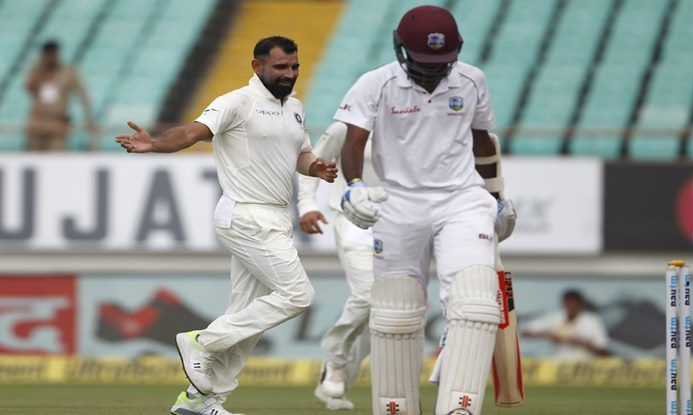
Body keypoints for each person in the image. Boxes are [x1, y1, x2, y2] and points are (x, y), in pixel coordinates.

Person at [115, 36, 338, 415]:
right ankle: (202, 341)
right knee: (298, 295)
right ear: (257, 66)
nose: (289, 74)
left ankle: (200, 402)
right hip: (246, 215)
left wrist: (316, 167)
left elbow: (300, 154)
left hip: (274, 217)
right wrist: (155, 144)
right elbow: (191, 132)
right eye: (281, 67)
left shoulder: (295, 108)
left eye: (294, 66)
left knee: (245, 318)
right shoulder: (237, 101)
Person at [335, 5, 515, 415]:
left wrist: (496, 194)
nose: (431, 72)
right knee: (395, 312)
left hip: (461, 197)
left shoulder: (472, 80)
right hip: (398, 201)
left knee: (476, 304)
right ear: (400, 48)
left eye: (439, 63)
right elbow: (353, 143)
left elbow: (483, 141)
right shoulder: (375, 83)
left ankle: (459, 407)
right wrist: (356, 188)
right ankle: (396, 408)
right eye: (423, 62)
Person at [297, 121, 379, 410]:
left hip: (402, 224)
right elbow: (312, 163)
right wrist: (306, 205)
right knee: (368, 295)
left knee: (385, 314)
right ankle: (336, 359)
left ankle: (339, 381)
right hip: (353, 220)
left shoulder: (414, 119)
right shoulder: (346, 127)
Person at [25, 40, 96, 151]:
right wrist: (41, 71)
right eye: (48, 54)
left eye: (53, 54)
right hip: (38, 121)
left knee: (55, 157)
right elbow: (29, 88)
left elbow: (82, 95)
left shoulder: (68, 72)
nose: (51, 57)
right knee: (34, 157)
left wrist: (89, 120)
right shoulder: (37, 71)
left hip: (58, 122)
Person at [522, 289, 611, 360]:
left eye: (574, 304)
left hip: (583, 367)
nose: (570, 306)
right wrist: (551, 335)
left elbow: (604, 351)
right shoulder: (555, 318)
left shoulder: (592, 321)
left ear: (580, 304)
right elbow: (526, 333)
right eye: (568, 303)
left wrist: (583, 344)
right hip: (559, 366)